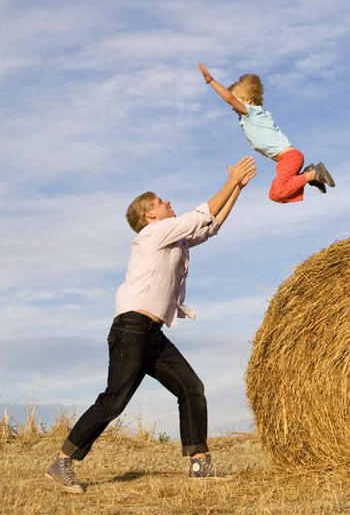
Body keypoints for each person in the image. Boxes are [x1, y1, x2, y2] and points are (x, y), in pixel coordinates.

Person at [45, 156, 257, 494]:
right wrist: (231, 181)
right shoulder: (154, 234)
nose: (168, 202)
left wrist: (238, 190)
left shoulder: (172, 238)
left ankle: (200, 464)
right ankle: (63, 461)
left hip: (152, 333)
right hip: (131, 329)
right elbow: (201, 214)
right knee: (114, 400)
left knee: (191, 388)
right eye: (161, 201)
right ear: (150, 214)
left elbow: (210, 226)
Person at [198, 63, 334, 203]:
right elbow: (232, 100)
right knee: (275, 195)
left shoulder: (251, 112)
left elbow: (229, 99)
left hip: (289, 158)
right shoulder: (255, 116)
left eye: (236, 103)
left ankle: (313, 174)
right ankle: (309, 174)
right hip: (287, 159)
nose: (233, 107)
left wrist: (210, 80)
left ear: (248, 101)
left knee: (278, 192)